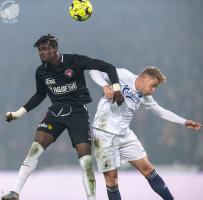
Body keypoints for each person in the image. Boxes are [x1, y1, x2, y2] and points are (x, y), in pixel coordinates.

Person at [1, 34, 124, 200]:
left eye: (44, 49)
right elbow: (39, 95)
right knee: (34, 150)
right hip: (56, 113)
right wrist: (17, 114)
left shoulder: (75, 61)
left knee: (86, 161)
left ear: (54, 49)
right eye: (39, 50)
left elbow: (108, 67)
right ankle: (15, 192)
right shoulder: (41, 71)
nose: (41, 53)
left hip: (77, 113)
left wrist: (116, 88)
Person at [89, 66, 202, 200]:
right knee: (112, 178)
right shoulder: (123, 75)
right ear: (144, 78)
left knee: (148, 169)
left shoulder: (145, 96)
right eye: (153, 85)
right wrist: (105, 86)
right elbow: (94, 71)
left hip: (125, 135)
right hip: (103, 134)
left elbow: (160, 110)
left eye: (156, 88)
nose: (153, 90)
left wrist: (184, 122)